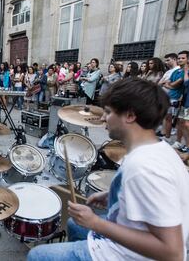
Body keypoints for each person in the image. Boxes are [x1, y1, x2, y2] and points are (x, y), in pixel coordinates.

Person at [28, 77, 189, 261]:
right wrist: (113, 195)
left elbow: (172, 252)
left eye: (108, 112)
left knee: (37, 256)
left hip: (129, 255)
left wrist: (95, 223)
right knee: (74, 224)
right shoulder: (159, 149)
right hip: (130, 235)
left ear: (130, 116)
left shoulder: (145, 167)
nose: (103, 118)